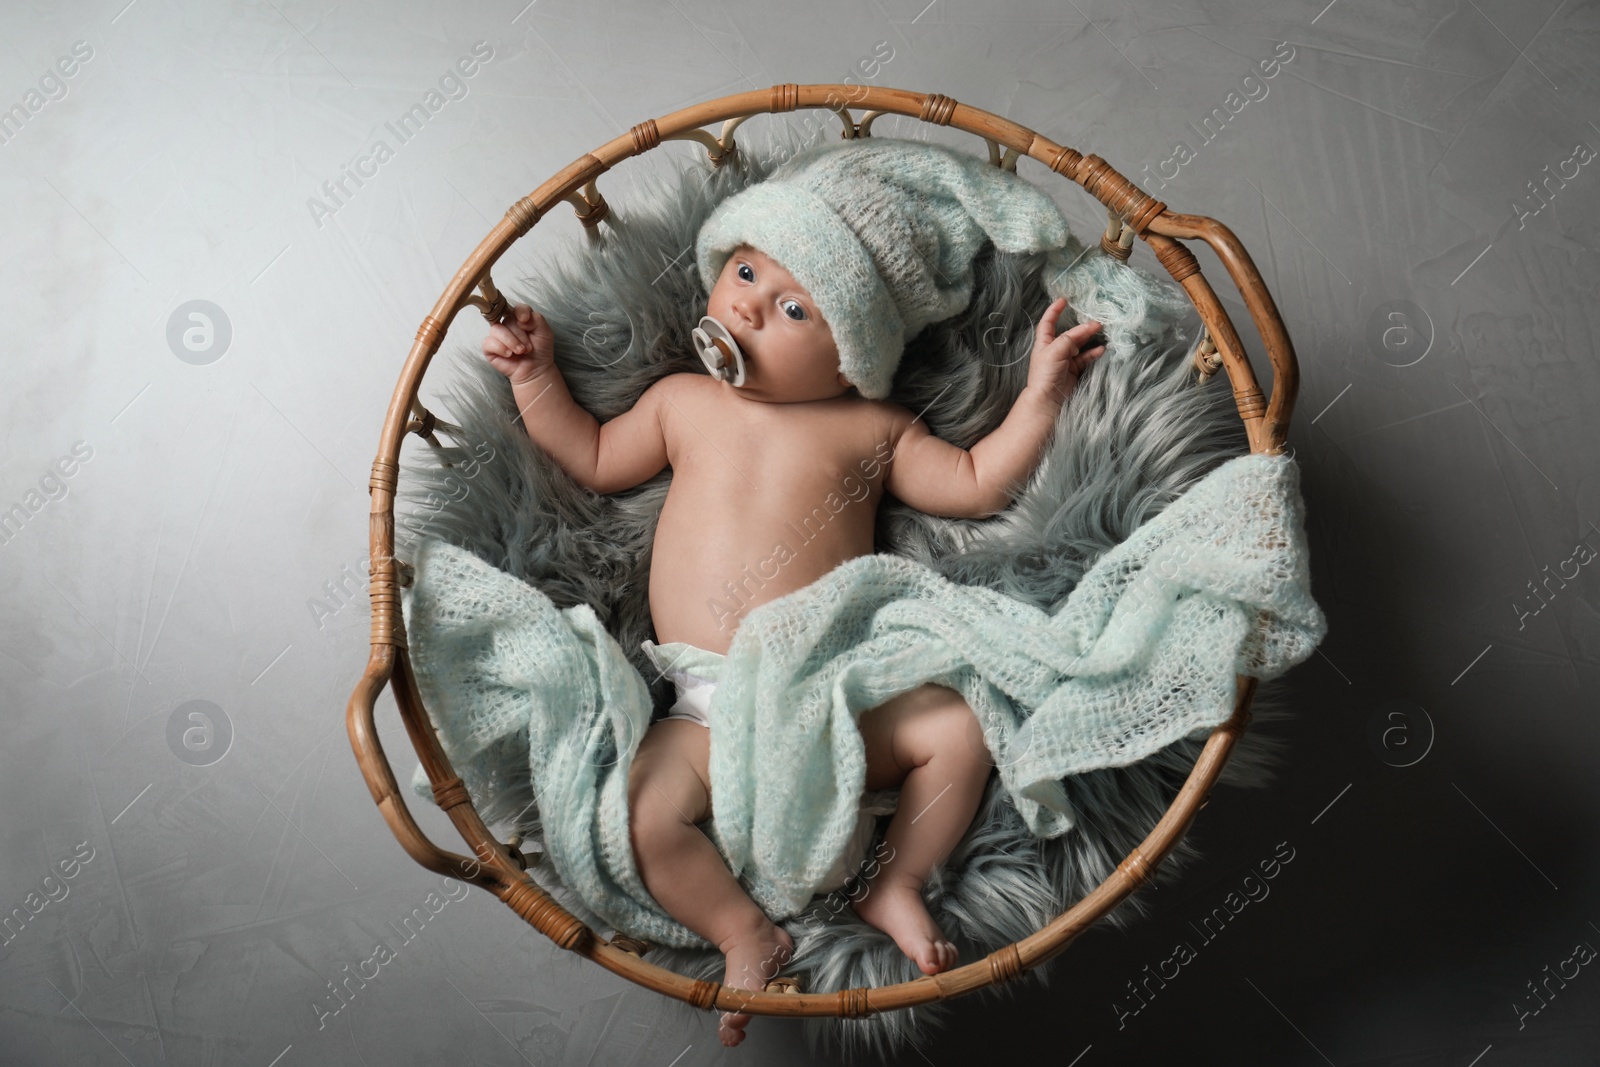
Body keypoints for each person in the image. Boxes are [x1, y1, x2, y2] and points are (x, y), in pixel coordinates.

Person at [481, 137, 1105, 1048]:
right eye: (742, 269)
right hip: (699, 705)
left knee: (956, 731)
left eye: (792, 307)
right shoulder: (681, 401)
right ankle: (743, 930)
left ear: (852, 355)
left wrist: (1042, 393)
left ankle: (897, 876)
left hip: (824, 693)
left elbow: (974, 482)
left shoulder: (870, 430)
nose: (747, 305)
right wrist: (536, 375)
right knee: (638, 815)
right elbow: (593, 455)